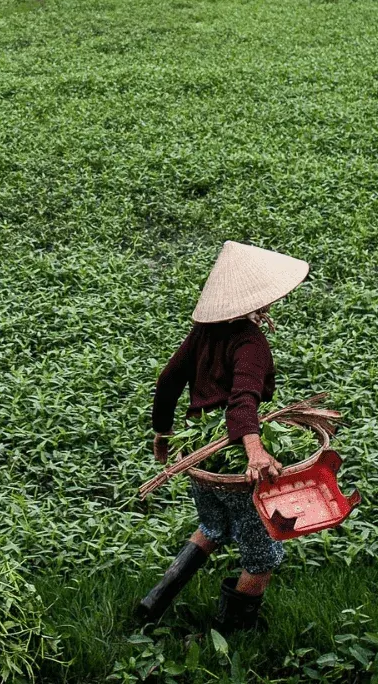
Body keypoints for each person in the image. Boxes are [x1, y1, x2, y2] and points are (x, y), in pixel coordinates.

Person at [135, 241, 310, 632]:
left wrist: (162, 434)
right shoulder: (250, 343)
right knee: (261, 553)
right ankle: (232, 637)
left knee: (212, 527)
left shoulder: (204, 331)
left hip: (201, 456)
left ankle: (154, 601)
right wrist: (255, 452)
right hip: (233, 466)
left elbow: (167, 382)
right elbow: (242, 402)